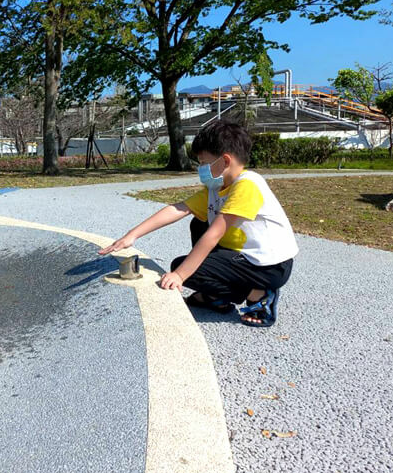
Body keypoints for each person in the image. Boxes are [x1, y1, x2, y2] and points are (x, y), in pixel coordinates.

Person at [100, 120, 297, 327]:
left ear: (225, 160)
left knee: (183, 267)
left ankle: (260, 294)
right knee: (198, 222)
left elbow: (215, 235)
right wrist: (133, 234)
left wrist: (180, 275)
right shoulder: (217, 188)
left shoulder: (248, 185)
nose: (200, 168)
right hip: (243, 256)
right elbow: (179, 208)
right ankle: (216, 296)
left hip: (269, 266)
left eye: (203, 162)